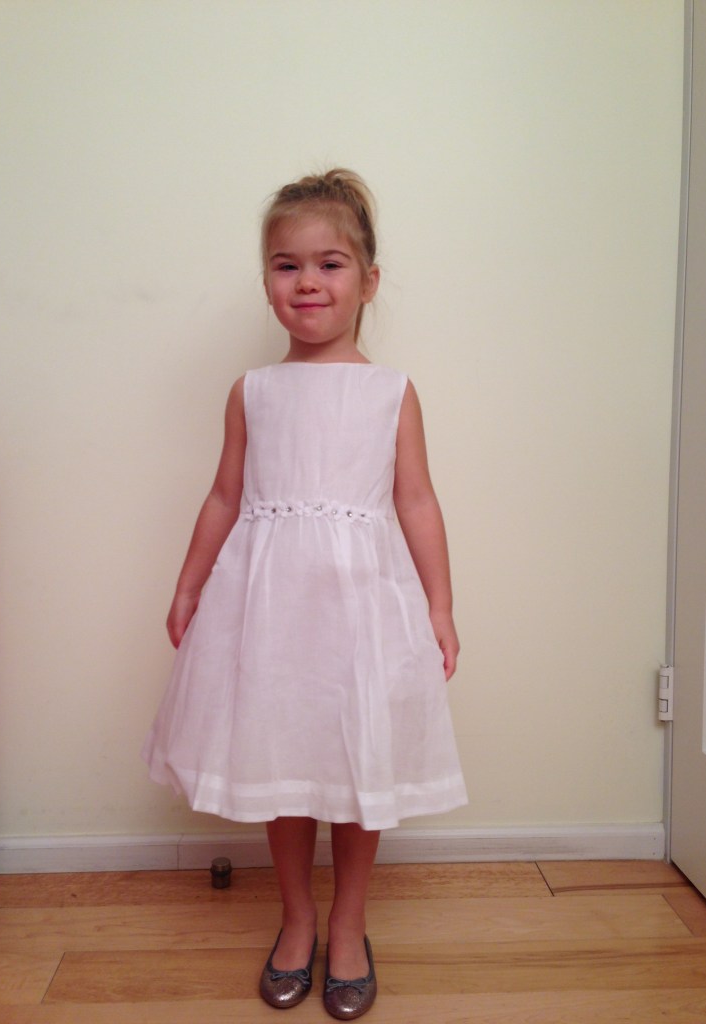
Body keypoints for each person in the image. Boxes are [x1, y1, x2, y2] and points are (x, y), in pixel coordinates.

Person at [143, 169, 467, 1019]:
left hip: (361, 611)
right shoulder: (252, 391)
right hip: (267, 610)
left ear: (368, 281)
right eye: (288, 266)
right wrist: (188, 585)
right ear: (266, 283)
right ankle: (297, 918)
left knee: (359, 764)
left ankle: (350, 923)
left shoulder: (391, 393)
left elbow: (417, 502)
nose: (309, 282)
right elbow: (225, 496)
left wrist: (439, 607)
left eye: (330, 264)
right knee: (279, 763)